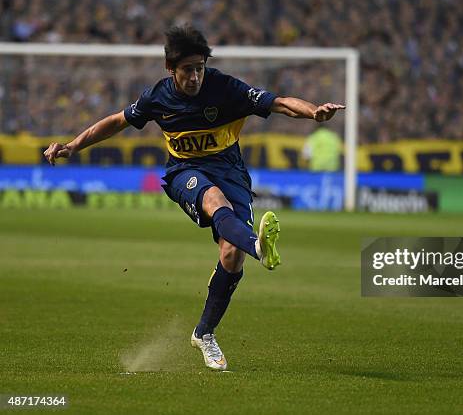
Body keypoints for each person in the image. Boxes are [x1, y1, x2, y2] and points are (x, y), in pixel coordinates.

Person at [43, 25, 345, 371]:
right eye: (188, 69)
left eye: (200, 67)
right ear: (171, 69)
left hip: (230, 171)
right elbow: (116, 121)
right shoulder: (157, 97)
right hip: (184, 172)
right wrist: (72, 146)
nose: (195, 76)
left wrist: (312, 112)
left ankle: (205, 333)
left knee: (231, 255)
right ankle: (259, 246)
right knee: (216, 202)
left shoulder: (225, 87)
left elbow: (278, 103)